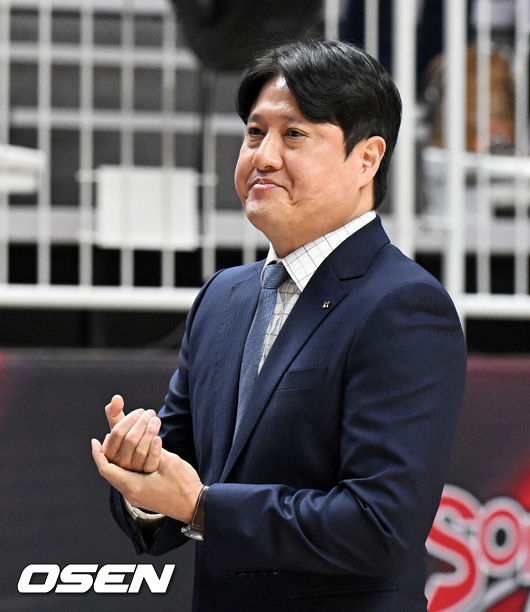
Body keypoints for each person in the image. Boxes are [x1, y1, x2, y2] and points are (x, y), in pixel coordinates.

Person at [92, 40, 467, 611]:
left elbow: (381, 527)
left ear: (367, 159)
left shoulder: (405, 306)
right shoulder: (222, 296)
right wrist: (142, 480)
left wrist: (202, 508)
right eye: (254, 133)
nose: (263, 157)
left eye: (294, 134)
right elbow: (179, 483)